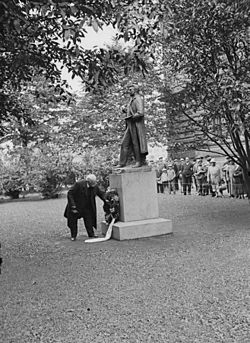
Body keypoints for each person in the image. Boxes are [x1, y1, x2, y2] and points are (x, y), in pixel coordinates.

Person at [64, 174, 108, 241]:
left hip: (87, 207)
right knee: (73, 221)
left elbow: (101, 194)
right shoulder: (79, 184)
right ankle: (73, 235)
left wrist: (106, 200)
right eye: (92, 183)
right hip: (76, 206)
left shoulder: (95, 186)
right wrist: (73, 205)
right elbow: (70, 193)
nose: (94, 184)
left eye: (94, 182)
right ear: (88, 181)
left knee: (89, 220)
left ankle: (91, 234)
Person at [117, 85, 148, 168]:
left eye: (130, 89)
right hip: (130, 124)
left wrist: (132, 117)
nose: (129, 91)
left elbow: (140, 112)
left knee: (135, 143)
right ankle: (122, 162)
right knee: (124, 143)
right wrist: (125, 110)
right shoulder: (131, 99)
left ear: (135, 90)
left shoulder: (138, 99)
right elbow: (131, 111)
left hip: (135, 124)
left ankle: (138, 161)